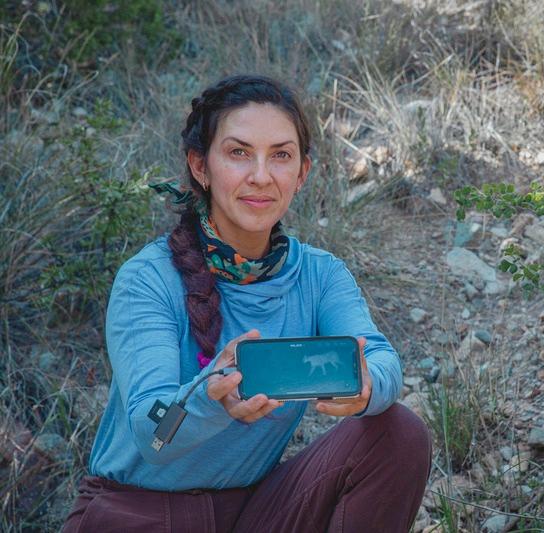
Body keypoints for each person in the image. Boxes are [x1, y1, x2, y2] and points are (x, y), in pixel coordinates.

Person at [63, 74, 431, 532]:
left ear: (302, 174)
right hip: (138, 515)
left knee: (398, 433)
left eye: (281, 155)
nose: (261, 176)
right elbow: (152, 432)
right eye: (239, 153)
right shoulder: (148, 279)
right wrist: (210, 400)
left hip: (255, 513)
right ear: (201, 166)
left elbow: (381, 360)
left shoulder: (320, 275)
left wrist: (366, 385)